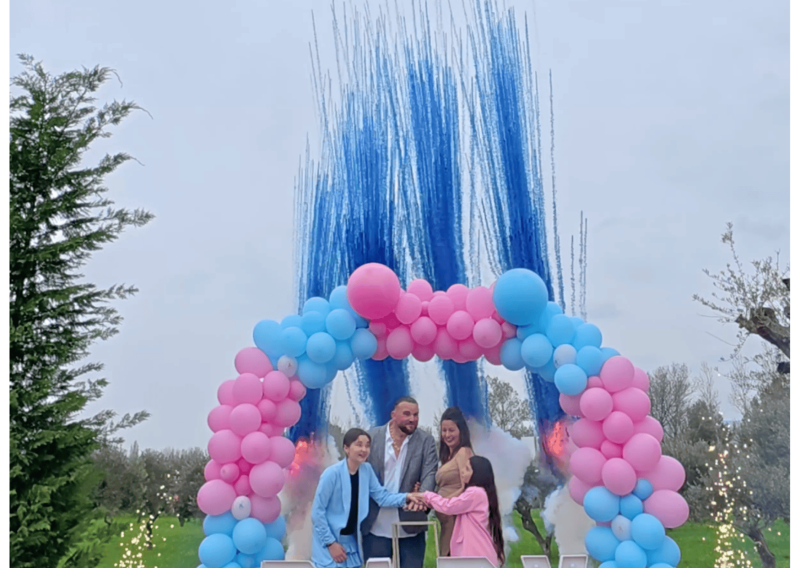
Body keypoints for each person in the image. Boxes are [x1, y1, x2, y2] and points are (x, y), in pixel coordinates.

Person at [311, 428, 424, 568]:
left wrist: (407, 497)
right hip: (329, 545)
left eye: (367, 445)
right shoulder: (331, 474)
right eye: (359, 444)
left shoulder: (367, 470)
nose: (364, 449)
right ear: (346, 448)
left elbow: (382, 497)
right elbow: (317, 512)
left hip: (353, 544)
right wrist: (330, 543)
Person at [361, 397, 439, 568]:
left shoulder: (426, 441)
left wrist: (422, 498)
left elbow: (430, 472)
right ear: (393, 415)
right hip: (375, 523)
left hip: (411, 523)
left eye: (416, 414)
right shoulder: (372, 437)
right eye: (407, 414)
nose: (412, 419)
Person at [418, 456, 505, 568]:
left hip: (476, 555)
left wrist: (426, 495)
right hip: (477, 555)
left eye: (467, 469)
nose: (462, 472)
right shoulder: (479, 493)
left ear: (478, 474)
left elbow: (448, 506)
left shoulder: (475, 493)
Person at [435, 407, 474, 557]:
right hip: (446, 525)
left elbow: (468, 488)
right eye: (444, 430)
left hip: (457, 524)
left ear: (461, 431)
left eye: (451, 430)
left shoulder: (464, 452)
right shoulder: (448, 457)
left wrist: (443, 503)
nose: (447, 435)